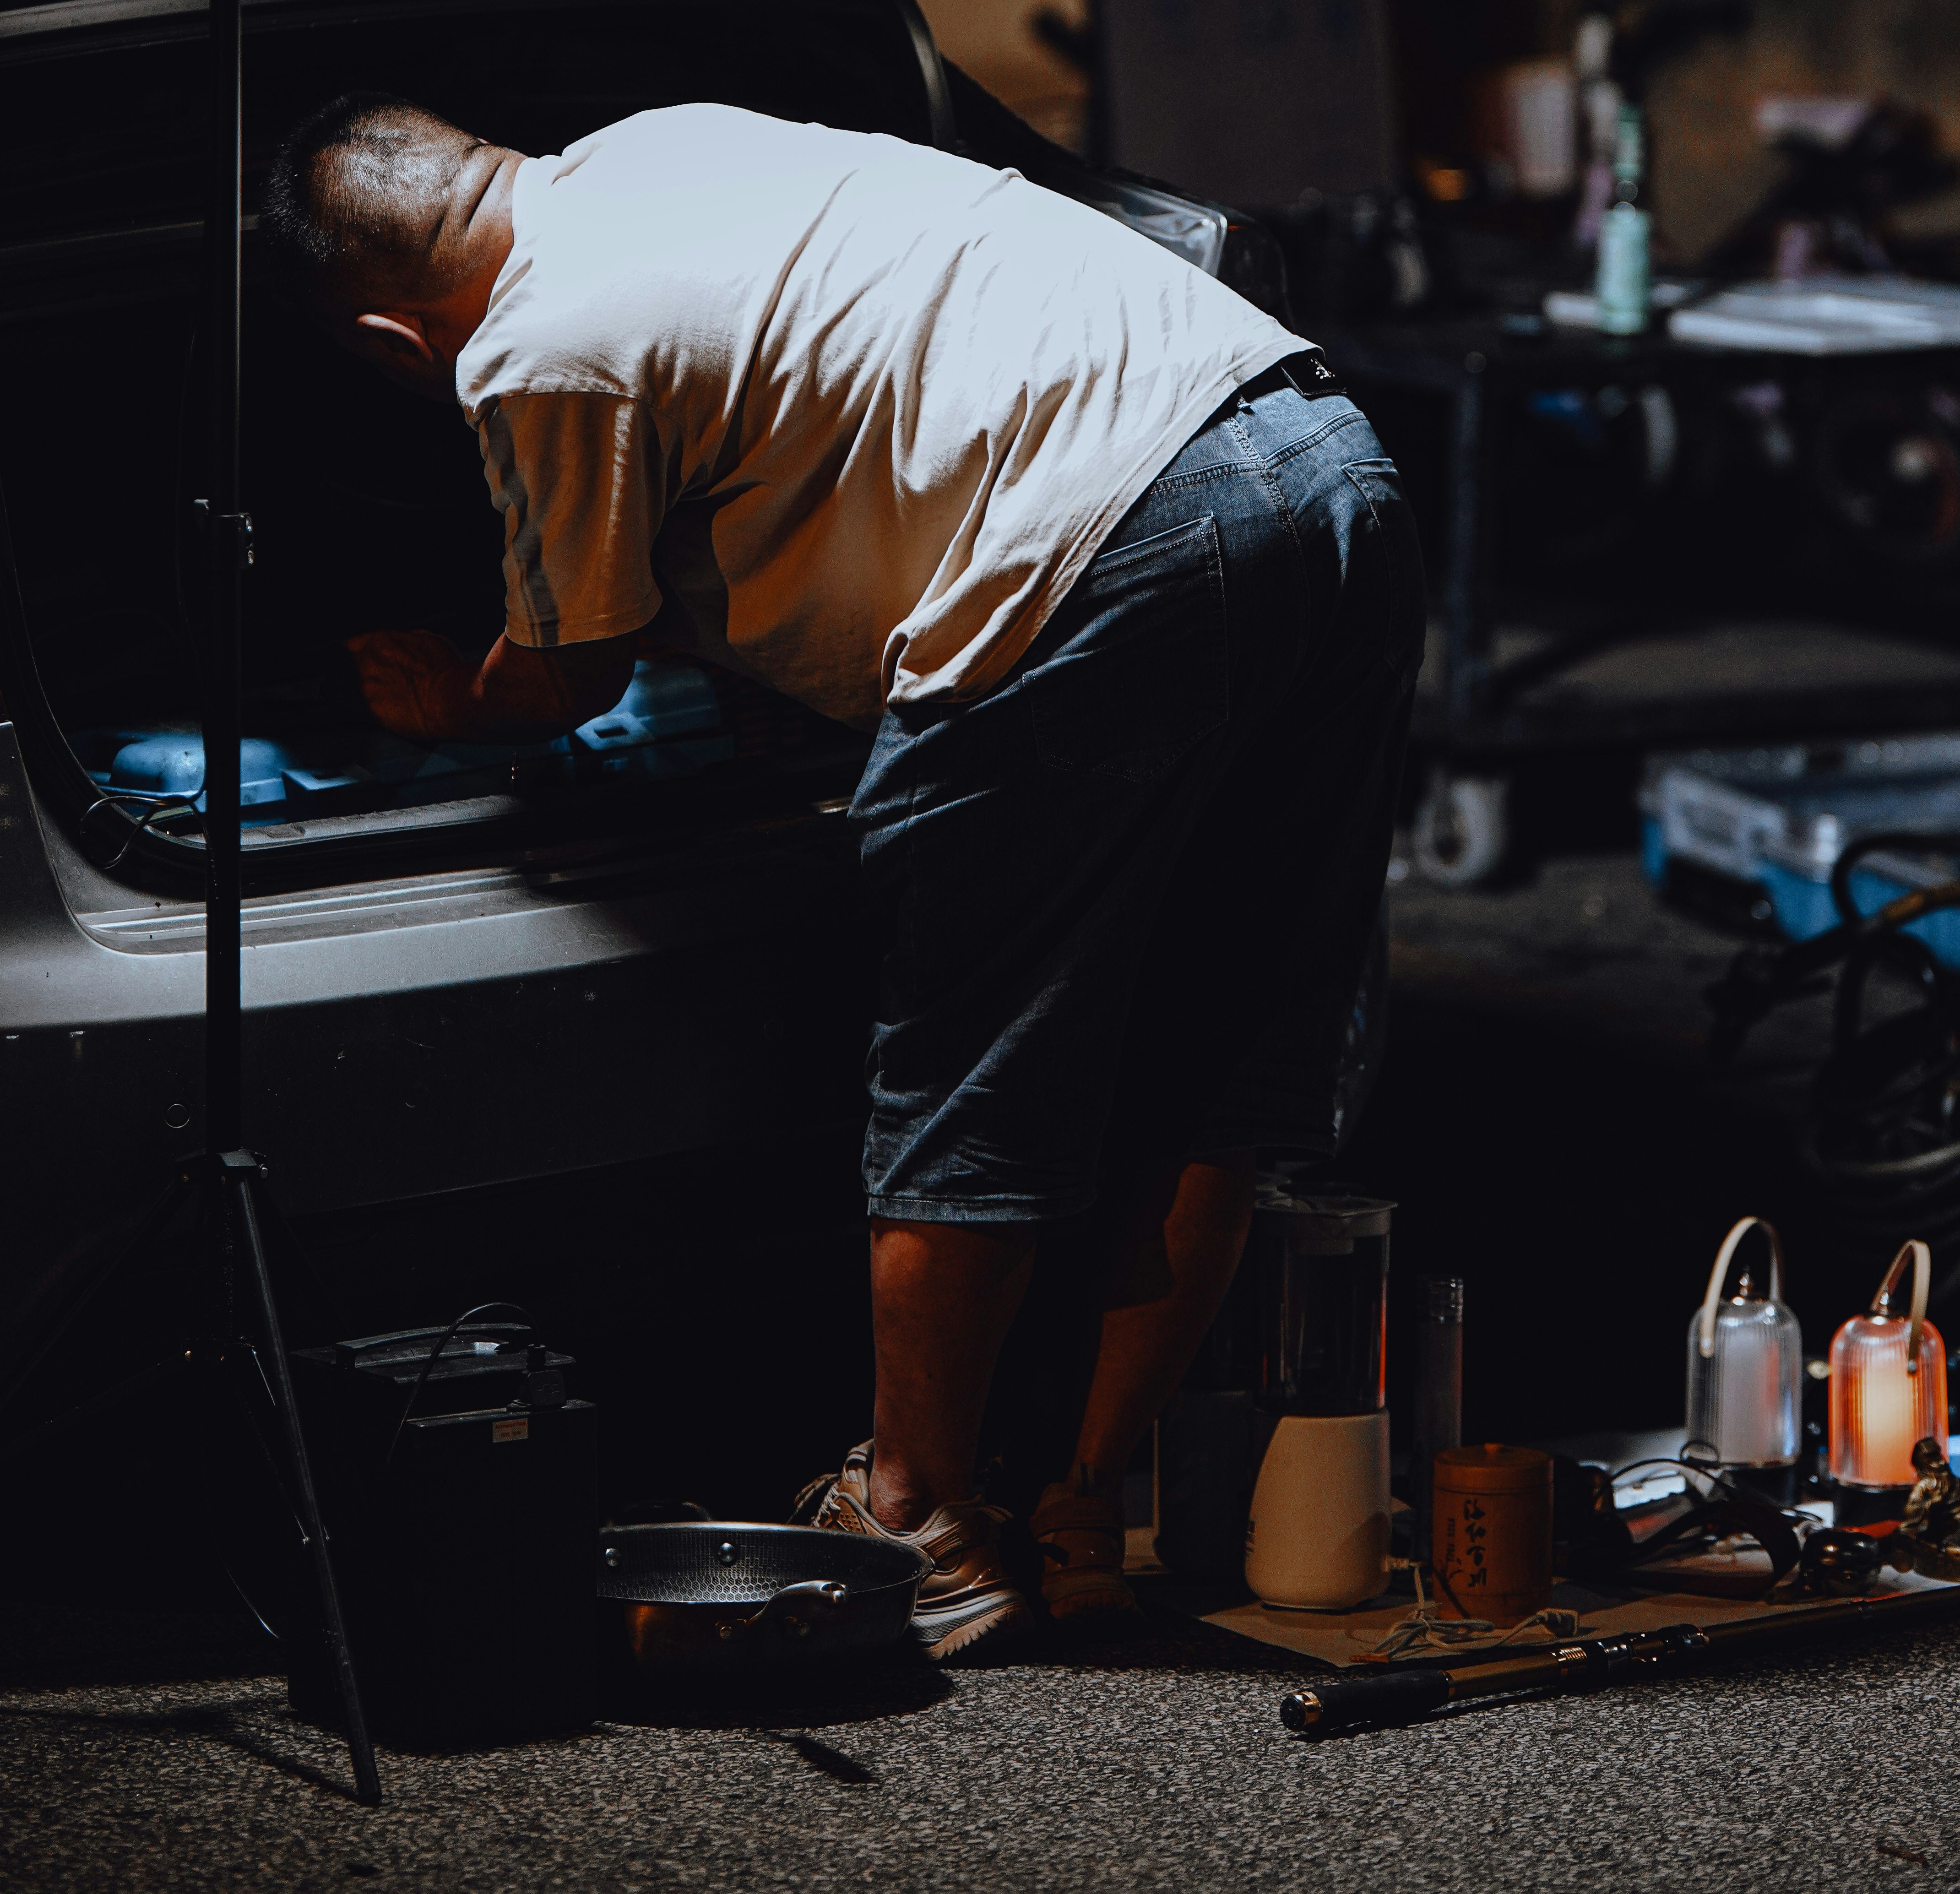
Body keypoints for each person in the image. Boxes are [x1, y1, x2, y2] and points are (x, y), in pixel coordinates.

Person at [262, 92, 1423, 1660]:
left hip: (1110, 539)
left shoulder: (534, 346)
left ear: (399, 341)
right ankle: (1093, 1510)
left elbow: (563, 677)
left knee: (972, 1058)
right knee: (1231, 1044)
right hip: (1321, 458)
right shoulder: (667, 142)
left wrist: (431, 696)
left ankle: (918, 1525)